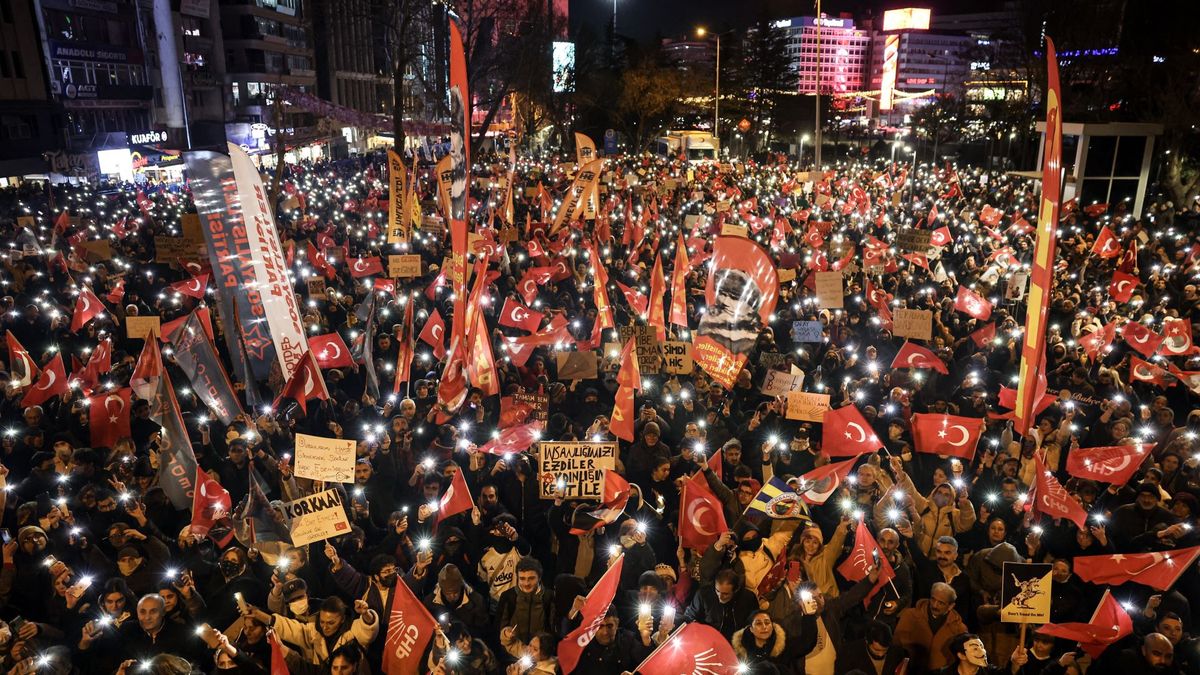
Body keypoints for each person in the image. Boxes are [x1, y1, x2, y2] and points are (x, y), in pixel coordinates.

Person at [894, 582, 971, 673]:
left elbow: (958, 660)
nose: (934, 605)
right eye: (933, 599)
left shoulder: (960, 629)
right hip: (910, 670)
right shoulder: (909, 616)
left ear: (951, 606)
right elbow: (896, 644)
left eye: (940, 603)